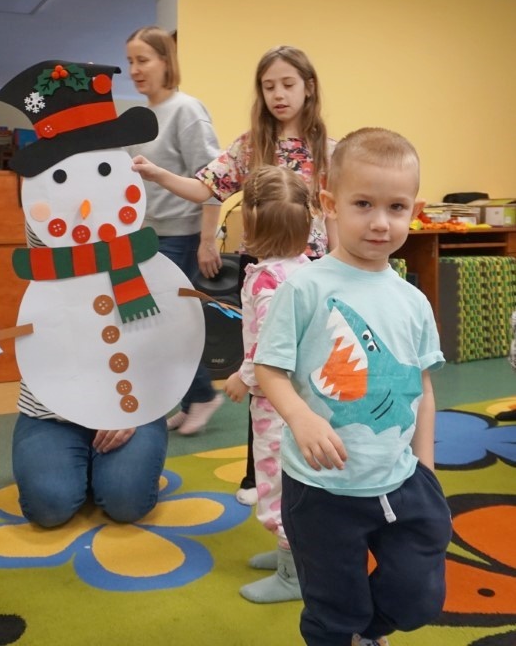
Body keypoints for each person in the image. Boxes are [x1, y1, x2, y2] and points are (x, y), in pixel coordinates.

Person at [253, 128, 452, 646]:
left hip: (401, 478)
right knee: (334, 610)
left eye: (396, 207)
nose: (380, 222)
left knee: (418, 597)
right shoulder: (304, 287)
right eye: (363, 204)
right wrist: (301, 416)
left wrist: (426, 468)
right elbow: (269, 369)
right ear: (330, 205)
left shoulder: (413, 300)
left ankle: (369, 631)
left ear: (415, 211)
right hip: (321, 489)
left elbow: (422, 387)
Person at [132, 44, 336, 500]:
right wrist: (158, 174)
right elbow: (204, 187)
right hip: (261, 268)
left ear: (309, 87)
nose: (278, 95)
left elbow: (334, 214)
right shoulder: (251, 145)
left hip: (312, 268)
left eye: (287, 84)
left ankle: (310, 470)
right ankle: (257, 476)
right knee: (263, 372)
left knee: (308, 373)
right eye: (268, 87)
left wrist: (340, 269)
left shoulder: (327, 150)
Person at [12, 226, 169, 528]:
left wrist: (131, 411)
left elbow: (159, 348)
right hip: (52, 413)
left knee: (126, 502)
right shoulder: (50, 259)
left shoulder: (133, 257)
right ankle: (79, 466)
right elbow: (43, 219)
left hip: (129, 405)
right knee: (48, 507)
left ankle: (99, 468)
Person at [125, 25, 224, 435]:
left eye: (143, 60)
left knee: (166, 323)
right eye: (130, 61)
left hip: (181, 236)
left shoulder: (187, 111)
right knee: (144, 319)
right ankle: (191, 398)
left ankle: (202, 395)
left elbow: (215, 180)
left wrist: (207, 240)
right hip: (145, 236)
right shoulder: (138, 118)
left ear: (166, 62)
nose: (134, 70)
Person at [223, 165, 312, 603]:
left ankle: (292, 574)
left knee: (276, 479)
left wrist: (242, 378)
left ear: (252, 224)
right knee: (293, 475)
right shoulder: (307, 269)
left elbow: (269, 343)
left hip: (274, 402)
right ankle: (289, 555)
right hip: (304, 397)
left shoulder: (265, 281)